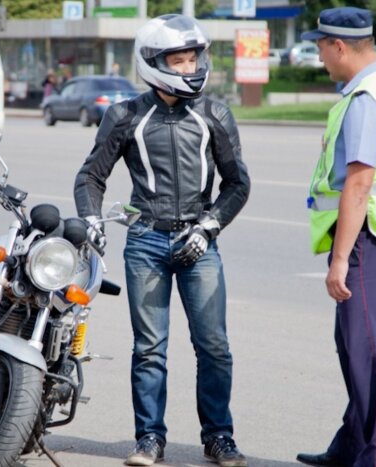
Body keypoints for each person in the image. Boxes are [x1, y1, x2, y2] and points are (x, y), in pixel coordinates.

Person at [73, 14, 250, 467]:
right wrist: (91, 221)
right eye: (179, 58)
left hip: (199, 243)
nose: (190, 66)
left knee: (214, 346)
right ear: (154, 62)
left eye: (194, 57)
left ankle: (219, 437)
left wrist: (208, 227)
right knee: (149, 349)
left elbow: (237, 184)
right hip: (146, 243)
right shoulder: (126, 115)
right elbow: (91, 176)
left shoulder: (214, 113)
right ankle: (149, 438)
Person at [297, 7, 376, 467]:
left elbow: (359, 183)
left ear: (340, 46)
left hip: (368, 240)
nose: (320, 57)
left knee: (373, 358)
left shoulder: (367, 99)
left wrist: (339, 259)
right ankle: (350, 446)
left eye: (321, 48)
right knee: (356, 348)